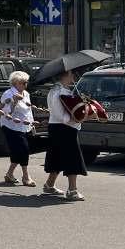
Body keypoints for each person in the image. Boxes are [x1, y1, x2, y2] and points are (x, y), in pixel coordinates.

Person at [43, 69, 87, 201]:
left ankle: (49, 184)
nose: (73, 75)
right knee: (72, 157)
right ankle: (72, 190)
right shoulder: (59, 92)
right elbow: (60, 115)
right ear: (64, 76)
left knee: (57, 156)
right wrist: (81, 117)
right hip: (63, 128)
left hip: (60, 128)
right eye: (71, 74)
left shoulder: (62, 90)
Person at [1, 71, 37, 187]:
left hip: (23, 125)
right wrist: (15, 102)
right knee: (24, 149)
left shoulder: (26, 94)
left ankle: (9, 174)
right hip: (11, 126)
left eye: (26, 82)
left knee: (17, 152)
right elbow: (6, 112)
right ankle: (26, 176)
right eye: (23, 83)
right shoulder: (8, 94)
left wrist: (32, 125)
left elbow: (28, 110)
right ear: (15, 83)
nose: (25, 85)